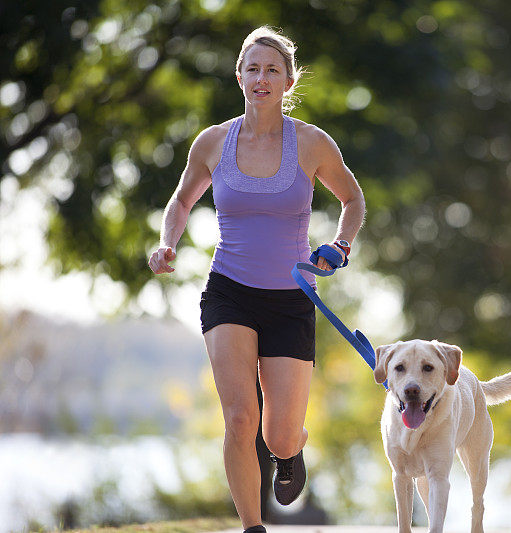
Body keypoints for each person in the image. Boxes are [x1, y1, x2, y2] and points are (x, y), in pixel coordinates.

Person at [148, 25, 366, 533]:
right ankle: (252, 527)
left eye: (272, 70)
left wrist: (340, 244)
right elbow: (182, 200)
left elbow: (353, 201)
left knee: (279, 436)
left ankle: (292, 451)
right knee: (239, 418)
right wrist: (167, 242)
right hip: (229, 291)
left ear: (289, 81)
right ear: (239, 76)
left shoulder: (312, 144)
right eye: (252, 69)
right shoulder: (213, 142)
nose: (261, 78)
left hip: (291, 298)